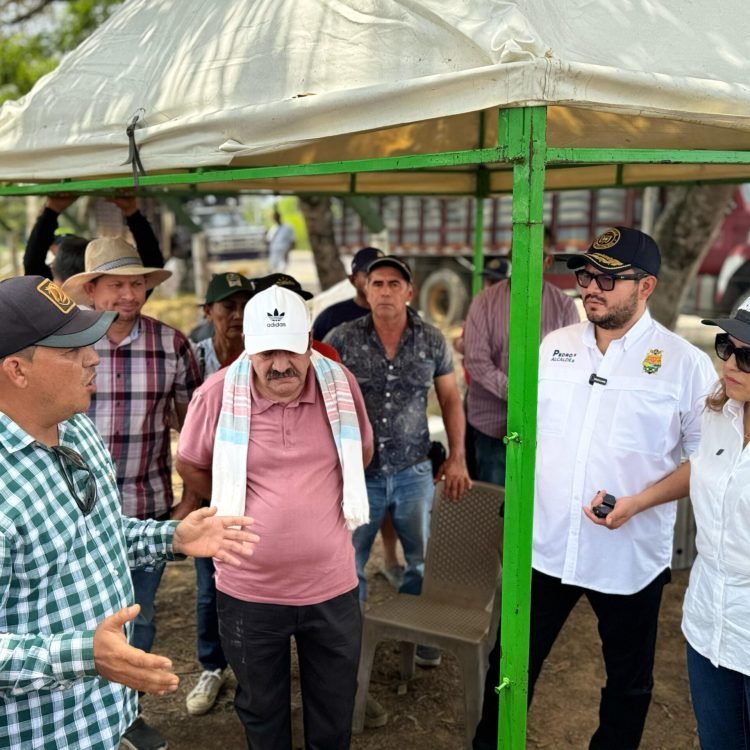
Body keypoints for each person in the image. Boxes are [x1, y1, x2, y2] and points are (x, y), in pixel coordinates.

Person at [473, 226, 717, 750]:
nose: (591, 287)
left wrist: (639, 502)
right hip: (546, 546)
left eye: (609, 278)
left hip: (628, 557)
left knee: (628, 685)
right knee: (509, 665)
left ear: (646, 286)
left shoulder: (684, 364)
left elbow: (708, 461)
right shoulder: (554, 347)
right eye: (585, 274)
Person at [0, 275, 258, 750]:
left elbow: (95, 533)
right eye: (71, 349)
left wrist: (171, 537)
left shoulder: (76, 428)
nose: (94, 357)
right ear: (17, 369)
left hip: (103, 715)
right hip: (39, 732)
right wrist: (82, 654)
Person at [176, 285, 374, 749]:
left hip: (332, 586)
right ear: (249, 347)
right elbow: (189, 463)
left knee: (333, 707)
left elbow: (360, 454)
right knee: (262, 711)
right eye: (267, 352)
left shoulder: (339, 386)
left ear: (309, 344)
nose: (280, 364)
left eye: (291, 350)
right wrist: (234, 503)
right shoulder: (218, 392)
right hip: (249, 590)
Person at [62, 238, 202, 750]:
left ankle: (126, 716)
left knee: (137, 618)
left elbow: (194, 429)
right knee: (79, 626)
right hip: (74, 516)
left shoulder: (173, 345)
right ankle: (81, 719)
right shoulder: (63, 347)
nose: (128, 293)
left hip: (146, 507)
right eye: (116, 284)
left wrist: (191, 499)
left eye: (136, 283)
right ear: (92, 289)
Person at [325, 255, 471, 670]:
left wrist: (457, 457)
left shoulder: (431, 339)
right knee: (348, 563)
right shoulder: (342, 339)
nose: (385, 291)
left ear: (409, 292)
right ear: (364, 291)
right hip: (358, 474)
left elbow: (450, 399)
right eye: (378, 283)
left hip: (413, 470)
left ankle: (420, 635)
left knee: (422, 559)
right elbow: (322, 402)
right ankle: (349, 643)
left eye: (394, 284)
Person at [184, 272, 256, 717]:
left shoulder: (265, 356)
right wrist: (198, 496)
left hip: (257, 492)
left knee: (253, 586)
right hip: (209, 491)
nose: (235, 316)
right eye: (226, 307)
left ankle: (253, 669)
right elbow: (184, 433)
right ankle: (213, 666)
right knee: (210, 586)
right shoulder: (194, 359)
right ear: (208, 311)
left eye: (243, 306)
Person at [682, 301, 750, 749]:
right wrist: (634, 502)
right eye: (725, 346)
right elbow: (699, 471)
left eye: (747, 356)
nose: (728, 363)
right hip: (708, 624)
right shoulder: (717, 410)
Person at [463, 233, 578, 484]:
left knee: (537, 507)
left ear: (547, 262)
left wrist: (533, 402)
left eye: (535, 255)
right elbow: (476, 361)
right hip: (491, 427)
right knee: (494, 508)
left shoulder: (564, 307)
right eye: (519, 253)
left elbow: (570, 367)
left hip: (543, 429)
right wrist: (520, 397)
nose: (525, 259)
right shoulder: (484, 302)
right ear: (510, 257)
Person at [24, 194, 164, 283]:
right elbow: (153, 262)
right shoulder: (117, 303)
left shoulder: (53, 307)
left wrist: (51, 210)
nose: (128, 293)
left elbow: (32, 264)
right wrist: (132, 213)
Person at [312, 246, 384, 341]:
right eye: (368, 275)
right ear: (352, 280)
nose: (376, 280)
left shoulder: (400, 316)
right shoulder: (331, 317)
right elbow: (313, 352)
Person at [265, 208, 295, 273]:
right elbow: (268, 240)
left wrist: (288, 251)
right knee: (273, 269)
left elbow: (292, 240)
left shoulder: (288, 227)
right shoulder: (273, 228)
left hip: (283, 251)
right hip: (274, 252)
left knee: (282, 269)